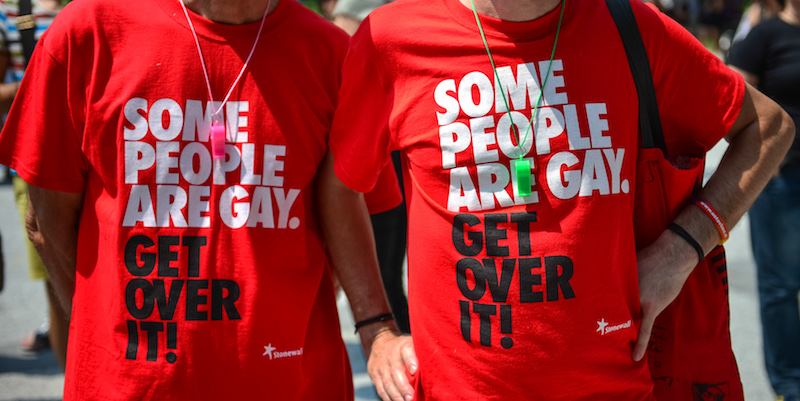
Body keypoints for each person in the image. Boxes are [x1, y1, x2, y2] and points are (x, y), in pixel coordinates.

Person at [328, 0, 795, 399]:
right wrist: (376, 329)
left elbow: (768, 127)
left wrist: (680, 250)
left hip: (618, 384)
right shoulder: (392, 39)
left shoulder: (630, 25)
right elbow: (341, 184)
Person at [0, 0, 400, 399]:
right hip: (128, 388)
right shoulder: (90, 30)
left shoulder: (331, 53)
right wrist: (101, 332)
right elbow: (46, 223)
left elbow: (352, 212)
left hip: (290, 383)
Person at [729, 1, 800, 399]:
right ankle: (790, 385)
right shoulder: (764, 37)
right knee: (781, 287)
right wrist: (767, 166)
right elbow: (730, 109)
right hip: (784, 181)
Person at [0, 0, 68, 364]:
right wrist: (49, 72)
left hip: (100, 158)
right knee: (58, 284)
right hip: (38, 160)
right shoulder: (11, 12)